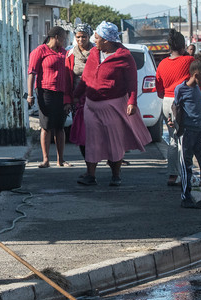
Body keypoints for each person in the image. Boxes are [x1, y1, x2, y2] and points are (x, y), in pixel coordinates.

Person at [73, 21, 151, 186]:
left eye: (97, 37)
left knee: (114, 141)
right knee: (91, 141)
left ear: (107, 40)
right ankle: (90, 175)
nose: (95, 40)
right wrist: (75, 95)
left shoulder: (124, 56)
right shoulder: (94, 52)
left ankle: (116, 175)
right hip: (91, 104)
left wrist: (132, 102)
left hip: (113, 105)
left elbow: (132, 82)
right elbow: (85, 78)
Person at [171, 58, 201, 209]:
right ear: (196, 75)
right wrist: (175, 124)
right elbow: (176, 107)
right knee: (186, 166)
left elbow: (199, 105)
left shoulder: (198, 89)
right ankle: (186, 197)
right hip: (188, 133)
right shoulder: (180, 89)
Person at [26, 26, 72, 168]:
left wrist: (69, 97)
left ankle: (61, 159)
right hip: (45, 92)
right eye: (63, 38)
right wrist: (30, 95)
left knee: (60, 127)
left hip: (61, 93)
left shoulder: (65, 53)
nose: (64, 41)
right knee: (46, 126)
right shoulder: (40, 51)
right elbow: (32, 73)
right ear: (56, 37)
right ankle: (46, 160)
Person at [155, 29, 195, 187]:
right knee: (185, 140)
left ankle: (172, 174)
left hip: (166, 101)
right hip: (182, 102)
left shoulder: (163, 63)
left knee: (173, 139)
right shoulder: (189, 61)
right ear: (183, 45)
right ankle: (185, 174)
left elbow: (159, 88)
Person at [66, 23, 94, 177]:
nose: (81, 39)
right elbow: (67, 79)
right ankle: (88, 166)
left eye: (84, 36)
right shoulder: (71, 54)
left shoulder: (97, 52)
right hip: (78, 100)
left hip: (96, 98)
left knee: (97, 133)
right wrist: (69, 100)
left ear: (89, 36)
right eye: (78, 37)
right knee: (82, 135)